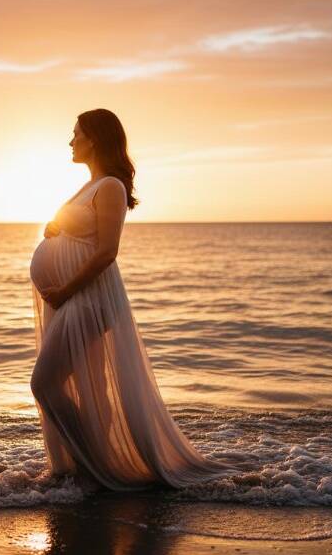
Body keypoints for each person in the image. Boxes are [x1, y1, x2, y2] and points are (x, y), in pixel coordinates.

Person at [29, 108, 238, 493]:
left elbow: (107, 251)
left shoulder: (110, 186)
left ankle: (93, 465)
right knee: (88, 388)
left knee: (45, 382)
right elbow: (81, 233)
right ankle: (90, 463)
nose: (71, 140)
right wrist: (54, 229)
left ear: (94, 137)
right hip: (72, 299)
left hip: (88, 299)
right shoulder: (88, 186)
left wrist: (65, 290)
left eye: (76, 133)